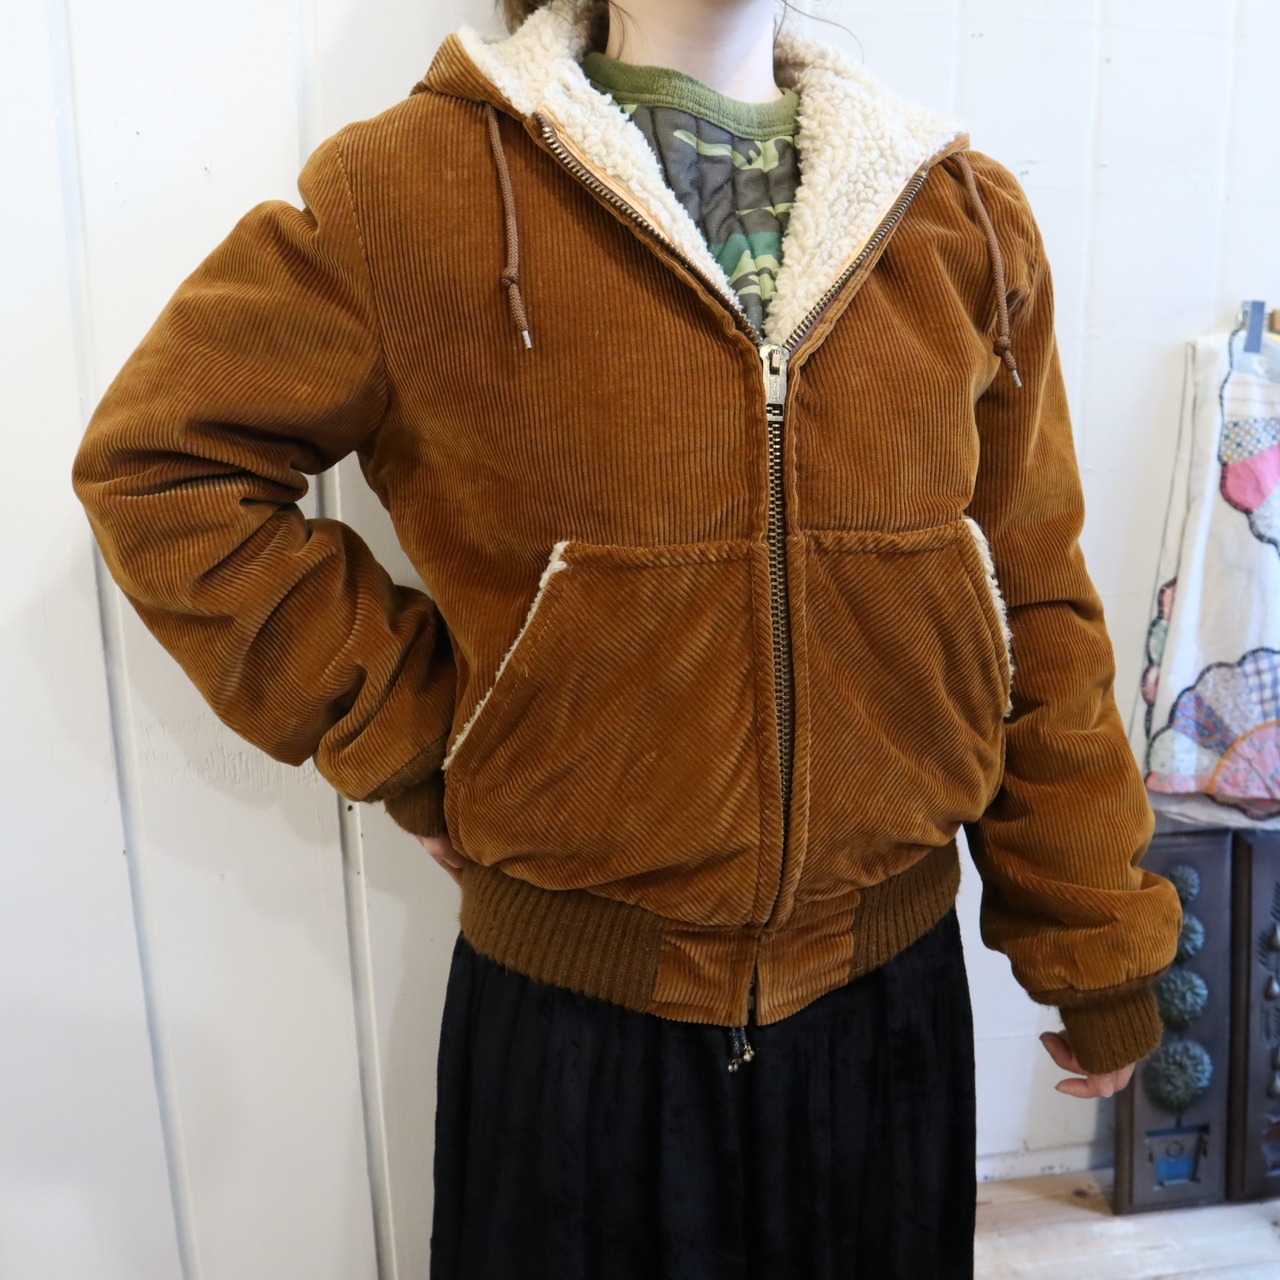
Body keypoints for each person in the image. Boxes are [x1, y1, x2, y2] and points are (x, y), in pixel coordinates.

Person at [69, 0, 1184, 1274]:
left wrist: (1092, 933)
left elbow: (1030, 596)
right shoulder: (411, 189)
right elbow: (164, 468)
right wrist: (419, 735)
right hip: (574, 1036)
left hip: (884, 1021)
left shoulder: (960, 216)